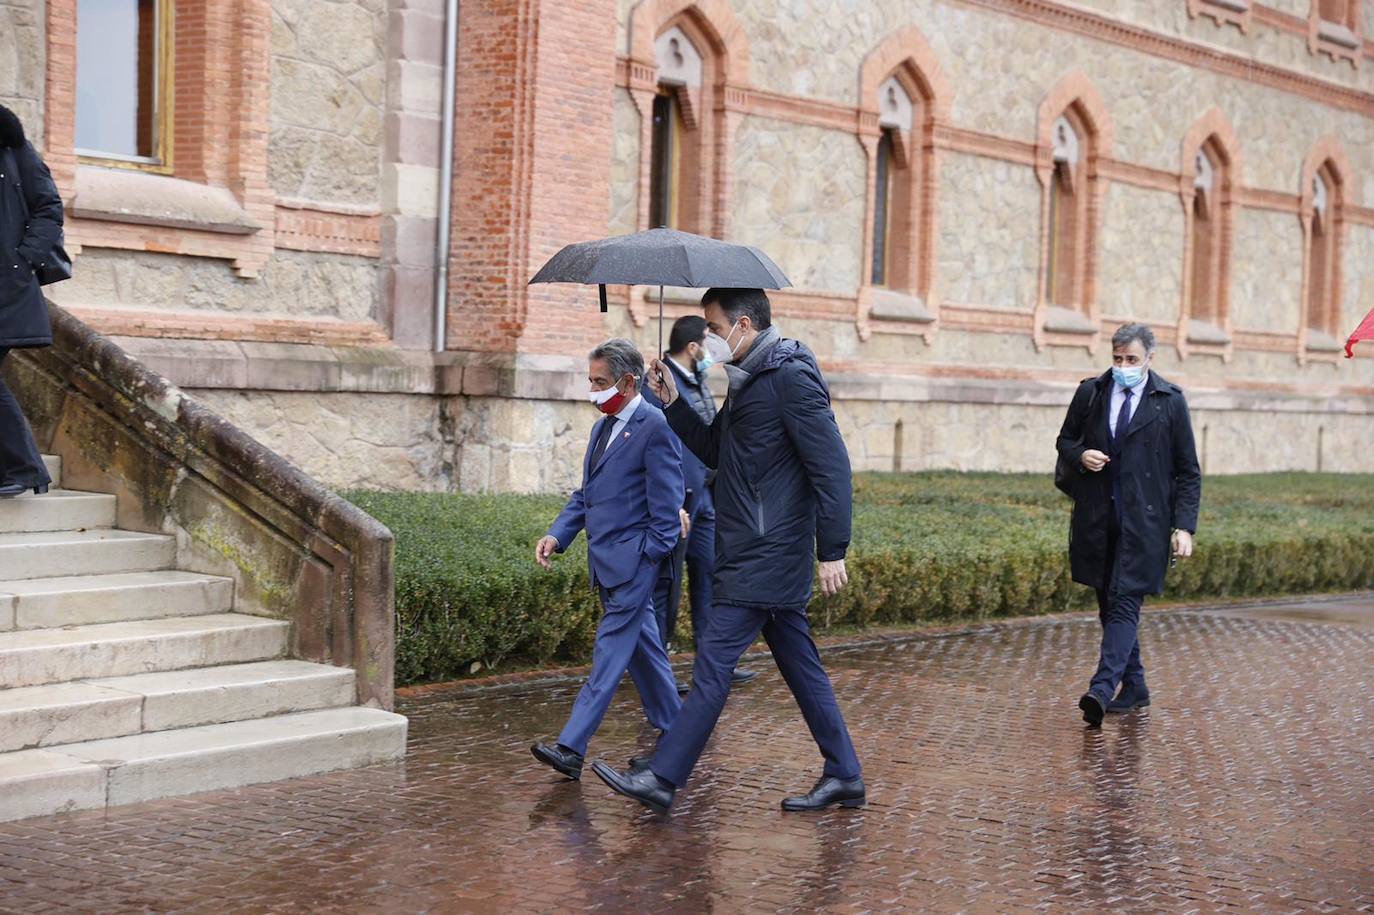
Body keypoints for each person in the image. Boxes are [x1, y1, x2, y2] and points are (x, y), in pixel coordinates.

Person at [592, 288, 865, 813]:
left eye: (713, 328)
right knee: (801, 666)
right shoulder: (751, 378)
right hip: (749, 546)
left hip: (770, 551)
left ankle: (665, 776)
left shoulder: (789, 377)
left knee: (713, 665)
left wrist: (833, 549)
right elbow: (717, 449)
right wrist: (671, 401)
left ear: (742, 324)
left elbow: (832, 466)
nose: (709, 339)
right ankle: (845, 773)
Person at [530, 339, 686, 780]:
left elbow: (667, 510)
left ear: (629, 381)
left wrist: (645, 558)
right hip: (606, 563)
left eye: (600, 382)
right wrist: (557, 536)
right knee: (646, 654)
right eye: (590, 381)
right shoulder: (602, 428)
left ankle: (571, 746)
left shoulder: (655, 426)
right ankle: (678, 737)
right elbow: (587, 495)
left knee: (609, 654)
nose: (592, 390)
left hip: (634, 567)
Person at [1056, 323, 1201, 727]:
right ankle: (1135, 686)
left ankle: (1101, 689)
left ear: (1149, 359)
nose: (1123, 367)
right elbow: (1065, 441)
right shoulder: (1092, 392)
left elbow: (1188, 471)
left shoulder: (1169, 402)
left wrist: (1184, 527)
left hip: (1146, 526)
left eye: (1132, 360)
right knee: (1109, 606)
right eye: (1117, 359)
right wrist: (1082, 455)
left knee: (1123, 605)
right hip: (1099, 520)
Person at [645, 315, 756, 693]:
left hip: (706, 500)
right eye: (709, 342)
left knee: (710, 577)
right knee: (668, 587)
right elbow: (659, 452)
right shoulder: (657, 387)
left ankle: (714, 663)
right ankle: (659, 671)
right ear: (693, 348)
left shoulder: (700, 381)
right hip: (678, 505)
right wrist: (669, 503)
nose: (713, 350)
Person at [0, 104, 62, 499]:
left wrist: (24, 260)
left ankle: (24, 468)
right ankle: (19, 468)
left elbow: (49, 206)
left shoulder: (13, 148)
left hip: (7, 287)